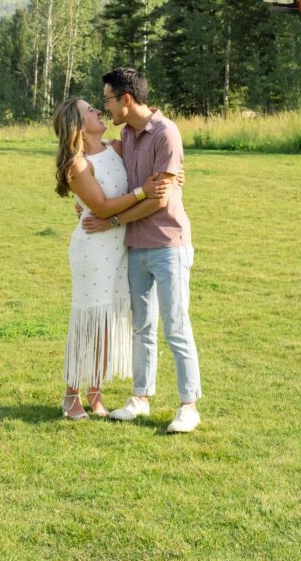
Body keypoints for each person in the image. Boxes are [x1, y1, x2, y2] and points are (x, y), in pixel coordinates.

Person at [82, 67, 202, 434]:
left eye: (108, 99)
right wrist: (87, 204)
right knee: (143, 328)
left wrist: (114, 221)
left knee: (176, 326)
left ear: (126, 100)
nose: (106, 106)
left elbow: (159, 200)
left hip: (168, 245)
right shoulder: (127, 137)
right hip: (136, 247)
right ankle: (140, 398)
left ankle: (188, 406)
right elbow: (104, 172)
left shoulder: (166, 133)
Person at [53, 97, 173, 420]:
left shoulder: (116, 147)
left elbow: (147, 169)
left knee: (108, 321)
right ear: (78, 125)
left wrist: (174, 176)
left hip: (119, 247)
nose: (97, 111)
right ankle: (70, 394)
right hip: (93, 248)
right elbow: (103, 207)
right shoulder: (77, 165)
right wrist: (142, 193)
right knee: (87, 319)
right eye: (90, 110)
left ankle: (95, 390)